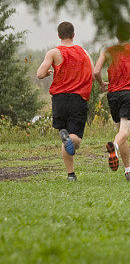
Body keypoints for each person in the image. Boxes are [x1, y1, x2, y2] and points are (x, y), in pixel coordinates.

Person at [36, 22, 93, 181]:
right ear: (73, 34)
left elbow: (39, 74)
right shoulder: (84, 52)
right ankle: (70, 141)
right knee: (76, 140)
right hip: (78, 99)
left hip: (59, 100)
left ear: (59, 35)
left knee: (65, 134)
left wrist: (48, 73)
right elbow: (93, 72)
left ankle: (71, 174)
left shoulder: (54, 52)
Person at [93, 22, 130, 182]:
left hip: (113, 94)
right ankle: (114, 146)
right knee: (124, 133)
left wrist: (102, 84)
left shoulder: (108, 51)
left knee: (120, 131)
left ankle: (128, 170)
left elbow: (96, 71)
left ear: (116, 35)